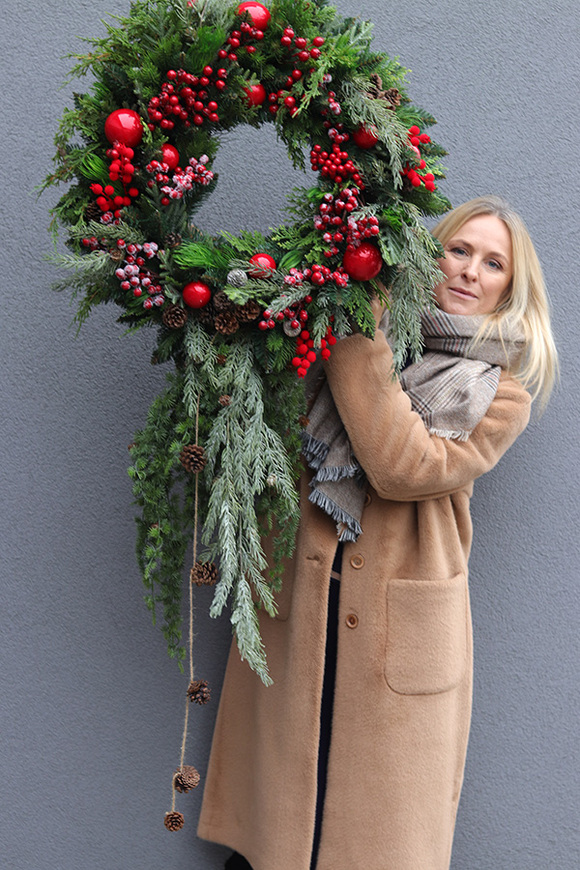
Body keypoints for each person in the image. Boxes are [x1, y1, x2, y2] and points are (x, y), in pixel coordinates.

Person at [197, 196, 558, 870]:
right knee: (279, 812)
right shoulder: (356, 330)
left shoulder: (500, 392)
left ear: (511, 286)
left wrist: (356, 331)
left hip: (398, 627)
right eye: (458, 249)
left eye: (493, 263)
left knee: (368, 827)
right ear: (429, 253)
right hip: (304, 597)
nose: (471, 271)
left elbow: (401, 465)